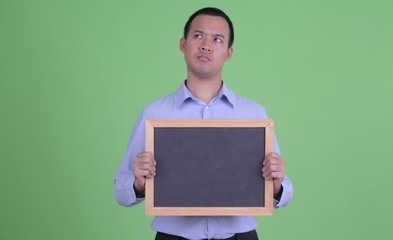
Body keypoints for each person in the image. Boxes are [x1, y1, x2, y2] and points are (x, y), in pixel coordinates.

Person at [114, 7, 293, 240]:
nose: (206, 45)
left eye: (217, 39)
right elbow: (121, 191)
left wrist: (277, 185)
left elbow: (284, 193)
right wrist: (138, 184)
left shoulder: (254, 114)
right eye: (198, 36)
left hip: (240, 236)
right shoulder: (155, 114)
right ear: (182, 44)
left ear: (228, 53)